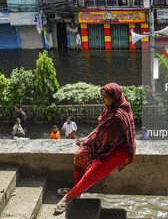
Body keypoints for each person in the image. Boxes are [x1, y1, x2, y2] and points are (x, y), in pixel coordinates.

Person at [55, 83, 136, 213]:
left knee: (93, 170)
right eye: (102, 96)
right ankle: (76, 189)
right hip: (105, 141)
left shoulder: (117, 115)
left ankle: (68, 197)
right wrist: (88, 137)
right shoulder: (110, 108)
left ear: (114, 97)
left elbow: (108, 142)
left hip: (118, 148)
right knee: (80, 156)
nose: (103, 100)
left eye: (106, 97)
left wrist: (95, 149)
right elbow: (101, 127)